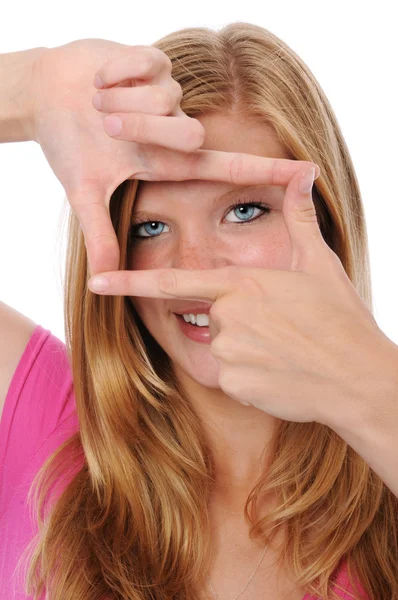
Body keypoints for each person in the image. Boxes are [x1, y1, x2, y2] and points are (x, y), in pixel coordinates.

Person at [0, 23, 396, 600]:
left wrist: (368, 385)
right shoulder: (40, 425)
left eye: (243, 211)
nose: (195, 268)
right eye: (151, 226)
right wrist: (27, 90)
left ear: (328, 222)